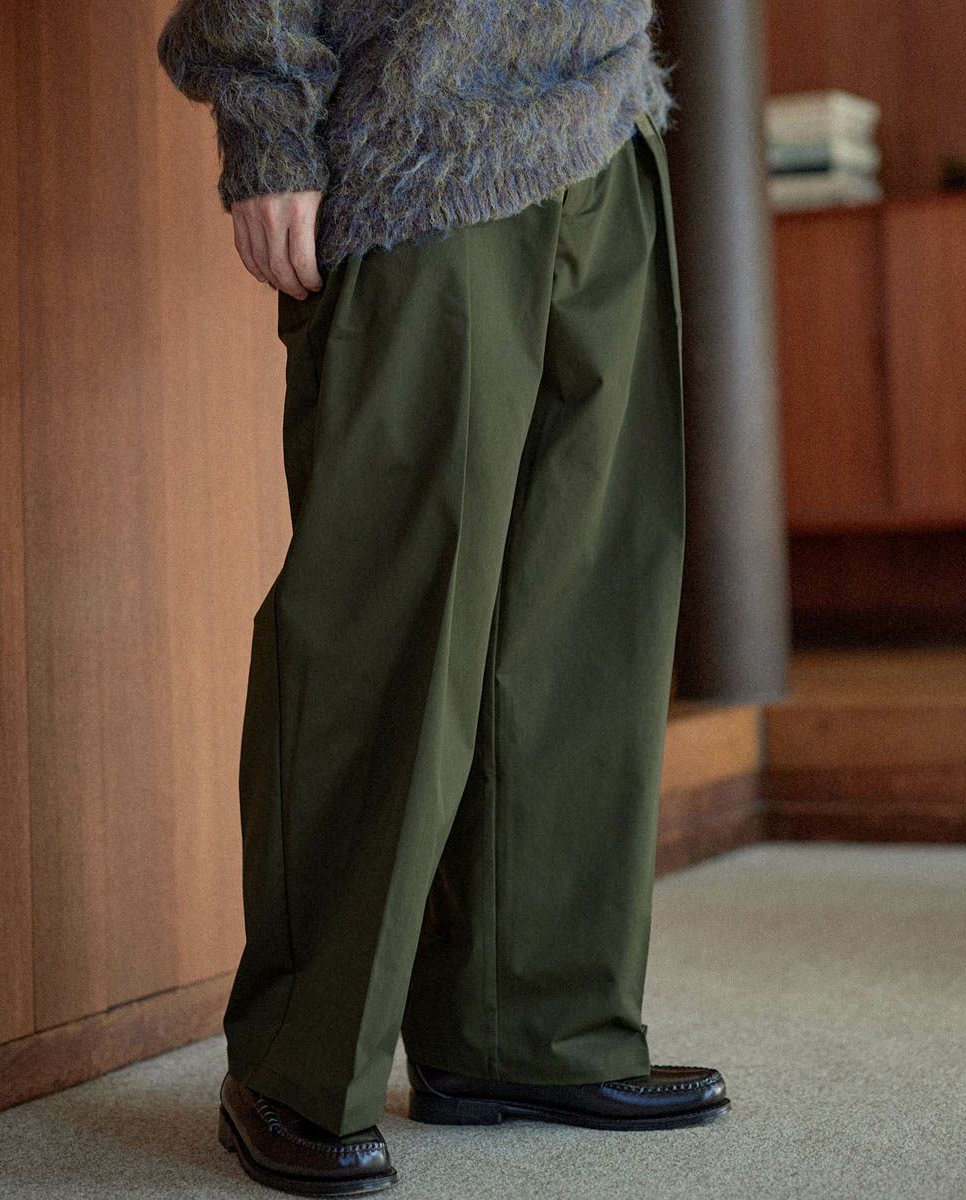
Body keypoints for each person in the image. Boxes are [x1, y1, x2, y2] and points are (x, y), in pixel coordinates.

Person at [156, 1, 730, 1193]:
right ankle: (296, 1066)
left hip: (606, 122)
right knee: (388, 628)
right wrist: (265, 118)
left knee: (582, 625)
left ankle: (529, 1033)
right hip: (418, 137)